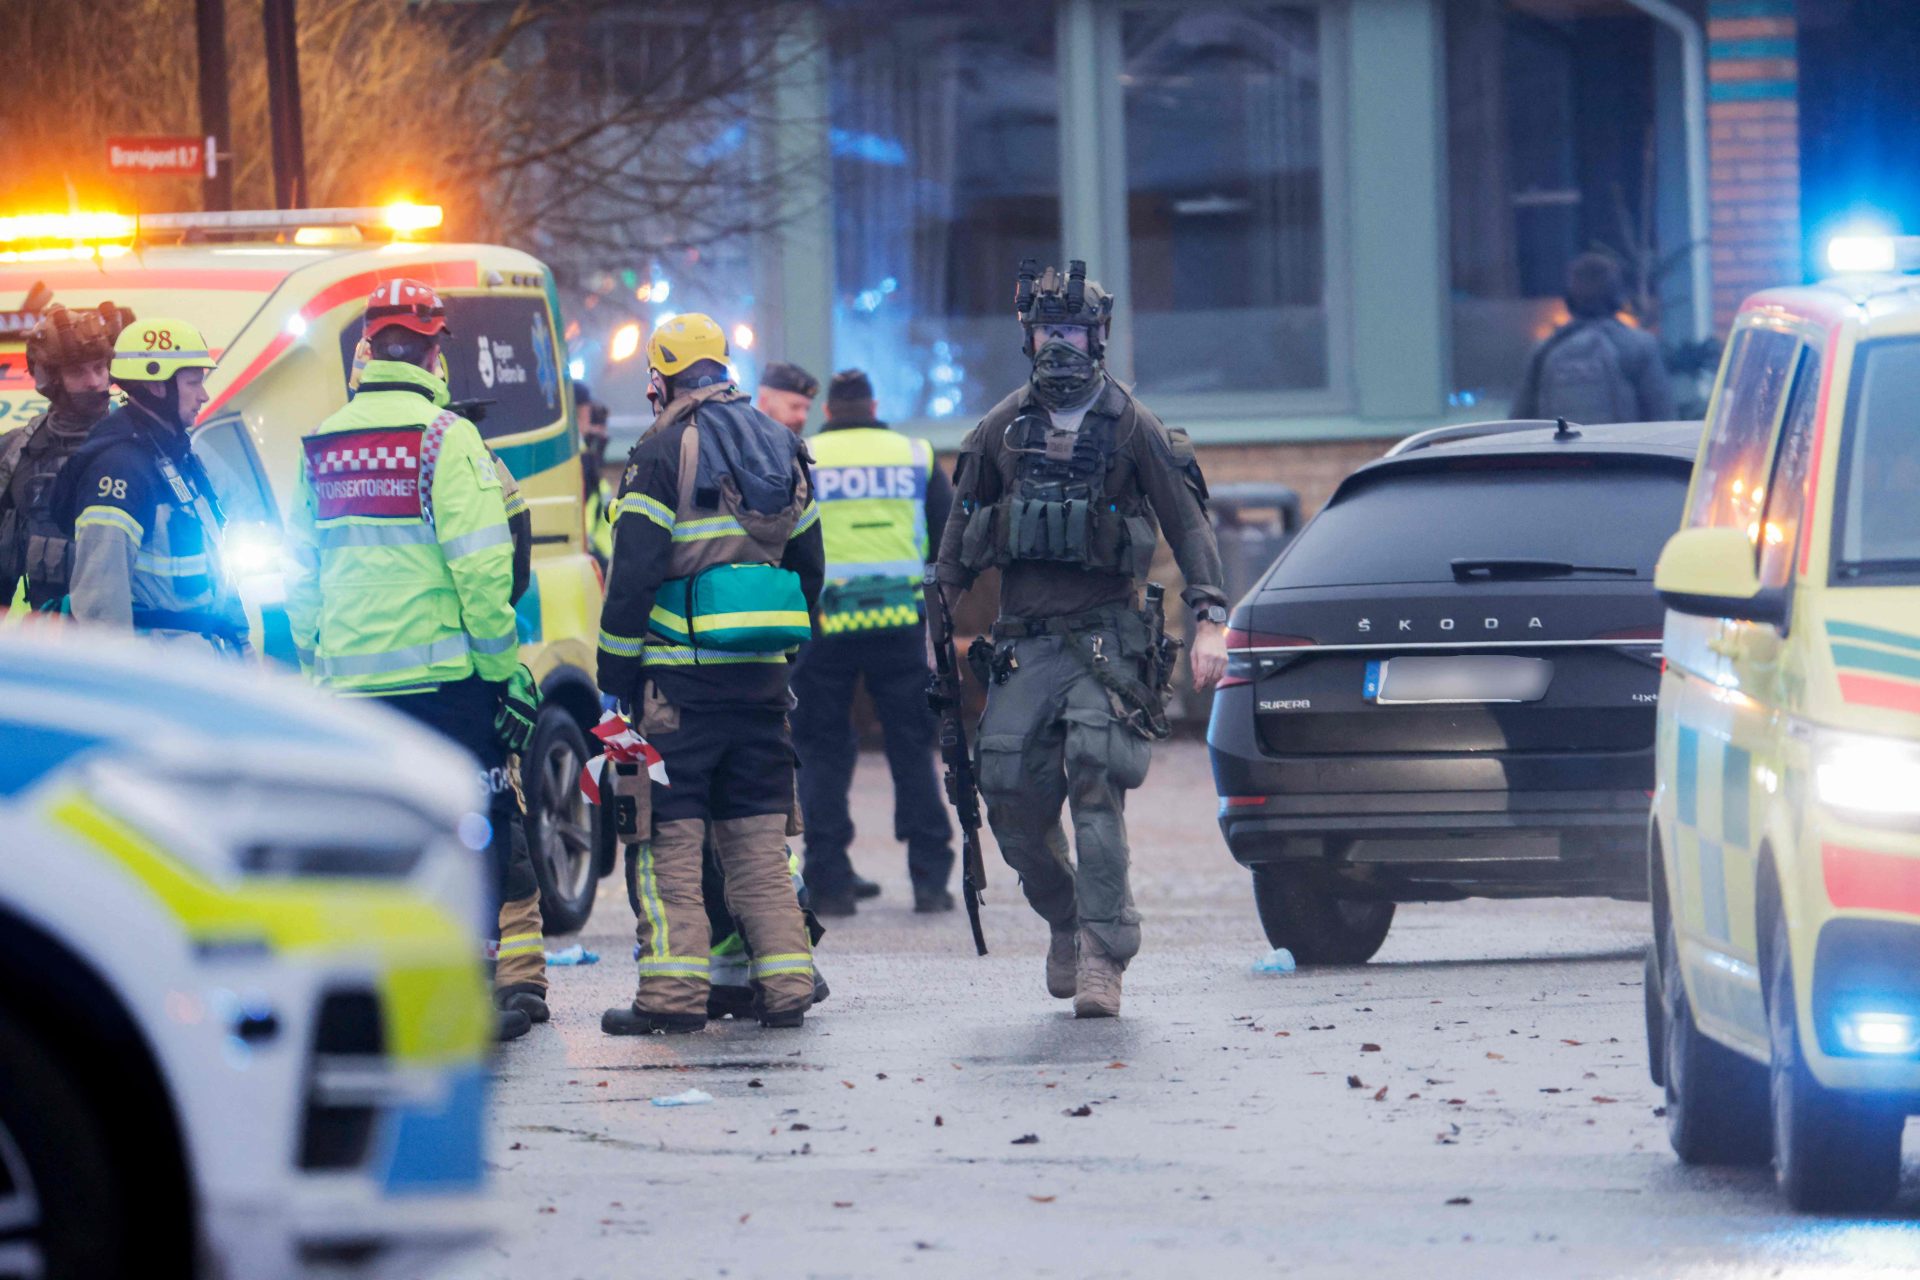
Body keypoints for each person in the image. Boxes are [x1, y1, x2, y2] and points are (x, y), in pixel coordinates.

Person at [934, 260, 1228, 1018]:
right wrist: (935, 618)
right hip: (1024, 641)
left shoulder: (1133, 426)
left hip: (1106, 638)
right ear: (1027, 339)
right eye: (1045, 333)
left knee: (1096, 782)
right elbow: (960, 541)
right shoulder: (1001, 429)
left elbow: (1189, 525)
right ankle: (1065, 918)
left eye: (1071, 332)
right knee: (1009, 800)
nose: (1058, 347)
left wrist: (1210, 619)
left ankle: (1103, 951)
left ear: (1097, 338)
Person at [282, 278, 548, 1042]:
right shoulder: (445, 438)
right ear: (434, 351)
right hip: (447, 687)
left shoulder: (324, 442)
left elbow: (301, 576)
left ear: (366, 350)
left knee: (377, 839)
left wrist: (317, 661)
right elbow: (480, 570)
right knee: (478, 829)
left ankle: (387, 994)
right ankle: (466, 991)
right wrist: (505, 674)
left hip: (353, 689)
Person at [597, 313, 824, 1034]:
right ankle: (787, 988)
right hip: (760, 684)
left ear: (661, 378)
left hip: (676, 690)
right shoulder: (783, 443)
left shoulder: (662, 449)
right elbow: (810, 568)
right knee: (759, 844)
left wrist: (615, 674)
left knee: (667, 847)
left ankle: (670, 999)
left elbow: (632, 574)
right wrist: (780, 655)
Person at [792, 368, 956, 917]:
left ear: (830, 411)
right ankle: (930, 879)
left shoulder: (804, 454)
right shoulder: (914, 454)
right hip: (898, 620)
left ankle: (830, 880)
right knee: (911, 747)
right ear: (875, 405)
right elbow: (947, 535)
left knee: (822, 750)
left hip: (824, 624)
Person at [50, 319, 248, 651]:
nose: (204, 395)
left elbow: (216, 569)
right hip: (160, 673)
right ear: (157, 386)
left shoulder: (176, 458)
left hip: (202, 664)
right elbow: (100, 607)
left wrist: (243, 648)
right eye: (193, 382)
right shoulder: (118, 470)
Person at [1, 301, 131, 611]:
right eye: (77, 371)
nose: (95, 382)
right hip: (54, 640)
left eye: (101, 367)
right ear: (50, 380)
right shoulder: (15, 453)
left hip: (132, 637)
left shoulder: (139, 445)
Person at [1511, 253, 1676, 425]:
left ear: (1570, 299)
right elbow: (1662, 418)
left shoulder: (1545, 350)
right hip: (1619, 450)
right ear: (1616, 296)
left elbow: (1518, 422)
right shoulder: (1639, 345)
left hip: (1560, 452)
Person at [576, 382, 615, 569]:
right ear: (582, 412)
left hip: (600, 559)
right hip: (592, 560)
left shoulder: (585, 458)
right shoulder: (580, 461)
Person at [755, 360, 819, 434]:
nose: (803, 417)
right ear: (764, 402)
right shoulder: (742, 442)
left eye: (807, 409)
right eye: (794, 406)